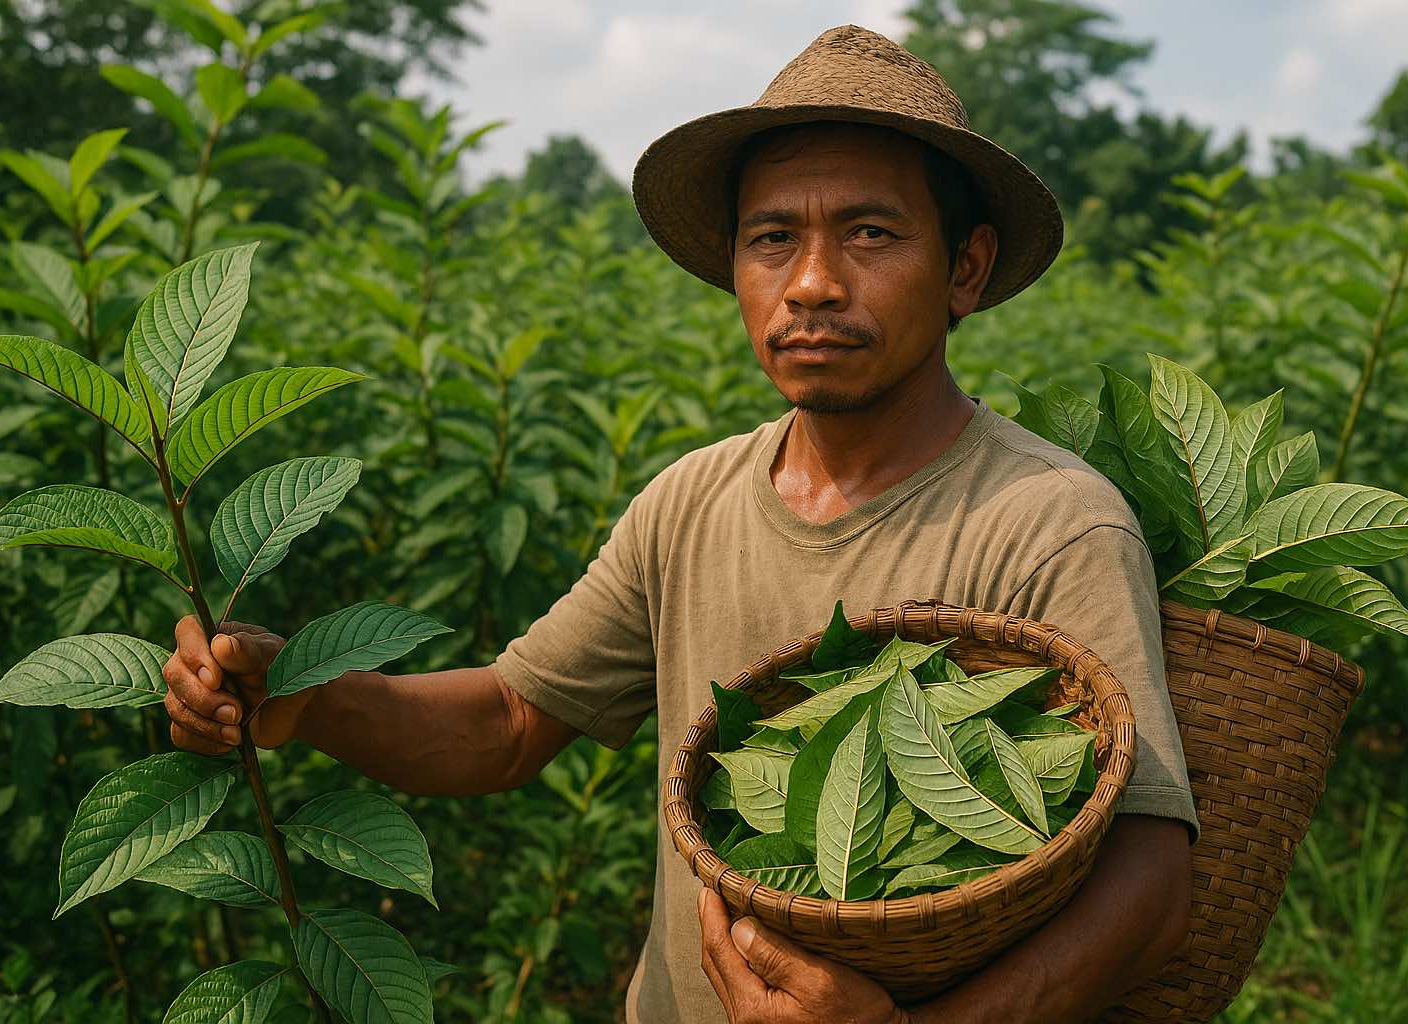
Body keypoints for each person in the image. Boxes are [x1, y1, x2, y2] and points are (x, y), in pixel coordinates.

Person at [161, 24, 1196, 1024]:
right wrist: (300, 690)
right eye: (773, 239)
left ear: (965, 268)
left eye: (871, 233)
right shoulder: (688, 501)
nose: (813, 283)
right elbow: (510, 721)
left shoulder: (1050, 521)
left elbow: (1149, 880)